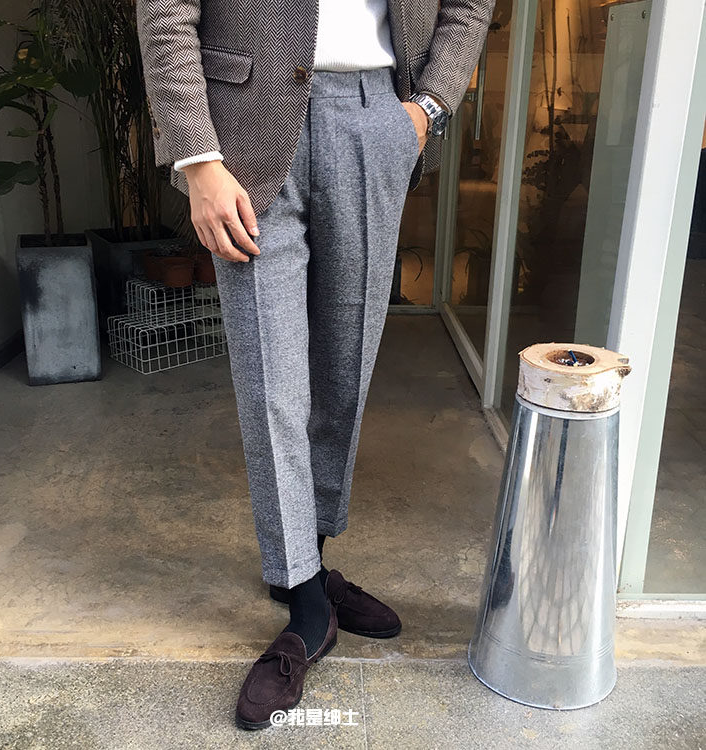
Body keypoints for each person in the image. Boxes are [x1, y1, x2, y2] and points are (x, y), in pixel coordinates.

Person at [137, 0, 495, 730]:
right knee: (272, 383)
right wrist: (197, 157)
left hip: (377, 118)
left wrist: (427, 108)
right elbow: (166, 10)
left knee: (343, 370)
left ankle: (308, 558)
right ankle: (306, 603)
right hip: (245, 127)